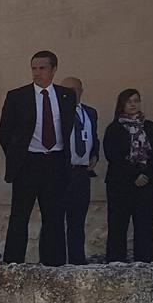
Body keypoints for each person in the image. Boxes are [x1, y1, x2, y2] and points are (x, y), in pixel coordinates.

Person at [0, 50, 79, 266]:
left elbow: (67, 126)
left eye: (42, 68)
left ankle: (54, 264)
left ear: (53, 70)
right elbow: (5, 133)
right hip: (28, 162)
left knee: (53, 217)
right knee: (19, 216)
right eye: (34, 68)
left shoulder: (66, 96)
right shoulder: (18, 96)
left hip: (55, 161)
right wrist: (18, 157)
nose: (37, 73)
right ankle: (13, 263)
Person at [104, 88, 153, 263]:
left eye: (136, 100)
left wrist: (145, 174)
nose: (133, 104)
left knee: (144, 224)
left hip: (146, 183)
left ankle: (145, 263)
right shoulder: (114, 129)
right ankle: (116, 264)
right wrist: (134, 175)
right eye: (129, 101)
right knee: (117, 225)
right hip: (120, 183)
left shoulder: (151, 128)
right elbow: (113, 155)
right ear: (122, 104)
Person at [61, 77, 101, 264]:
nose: (72, 93)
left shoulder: (90, 112)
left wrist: (94, 155)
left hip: (81, 172)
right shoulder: (57, 112)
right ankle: (57, 258)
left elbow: (93, 136)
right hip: (61, 172)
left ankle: (77, 258)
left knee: (77, 219)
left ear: (81, 91)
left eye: (76, 89)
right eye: (68, 89)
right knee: (56, 218)